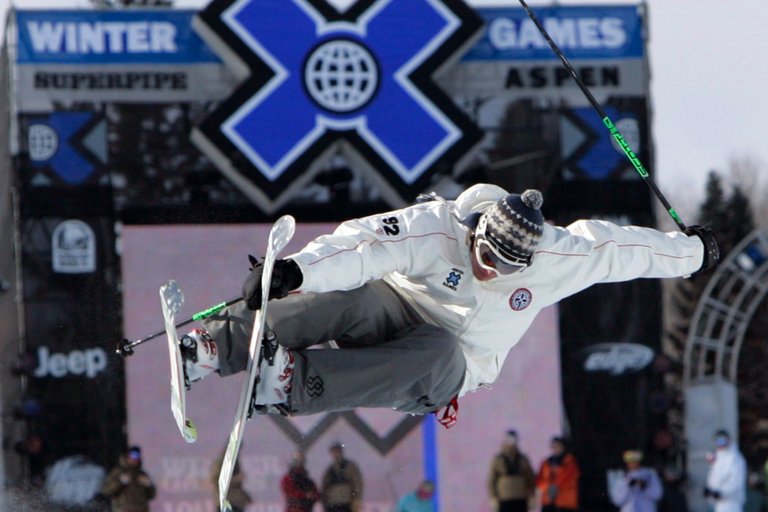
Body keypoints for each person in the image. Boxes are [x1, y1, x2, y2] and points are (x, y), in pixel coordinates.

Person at [177, 183, 718, 423]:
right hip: (396, 308)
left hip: (451, 365)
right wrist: (296, 270)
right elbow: (365, 245)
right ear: (475, 231)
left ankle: (291, 384)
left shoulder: (559, 258)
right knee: (353, 291)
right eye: (485, 255)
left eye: (506, 267)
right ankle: (217, 345)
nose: (489, 270)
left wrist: (692, 253)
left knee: (438, 350)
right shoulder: (439, 227)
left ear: (528, 261)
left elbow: (623, 249)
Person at [487, 430, 535, 511]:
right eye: (509, 439)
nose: (511, 442)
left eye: (513, 439)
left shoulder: (523, 458)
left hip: (521, 497)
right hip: (504, 497)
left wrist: (531, 495)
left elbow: (530, 477)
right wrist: (493, 497)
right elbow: (492, 479)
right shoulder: (498, 459)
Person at [100, 446, 156, 512]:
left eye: (137, 456)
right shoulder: (118, 472)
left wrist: (148, 485)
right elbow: (106, 491)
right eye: (133, 456)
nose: (135, 459)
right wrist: (120, 482)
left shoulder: (142, 474)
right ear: (126, 457)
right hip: (123, 509)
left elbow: (151, 495)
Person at [704, 429, 747, 512]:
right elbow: (714, 477)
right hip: (718, 503)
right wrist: (710, 491)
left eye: (722, 441)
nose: (720, 444)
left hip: (732, 502)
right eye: (718, 441)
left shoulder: (735, 458)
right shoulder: (718, 458)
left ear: (729, 440)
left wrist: (721, 492)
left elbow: (736, 481)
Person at [536, 436, 580, 512]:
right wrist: (548, 486)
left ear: (564, 447)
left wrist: (555, 486)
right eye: (554, 447)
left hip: (564, 502)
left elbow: (568, 478)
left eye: (558, 446)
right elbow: (540, 480)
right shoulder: (546, 463)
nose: (556, 449)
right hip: (548, 501)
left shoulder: (570, 462)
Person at [321, 442, 363, 512]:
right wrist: (324, 502)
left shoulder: (350, 466)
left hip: (347, 503)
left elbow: (357, 483)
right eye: (334, 451)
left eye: (337, 451)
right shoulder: (330, 469)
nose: (335, 454)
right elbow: (324, 487)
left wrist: (357, 499)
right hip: (333, 503)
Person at [210, 446, 252, 512]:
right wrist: (236, 479)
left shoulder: (235, 461)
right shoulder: (221, 463)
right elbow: (216, 481)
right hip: (227, 500)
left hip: (236, 501)